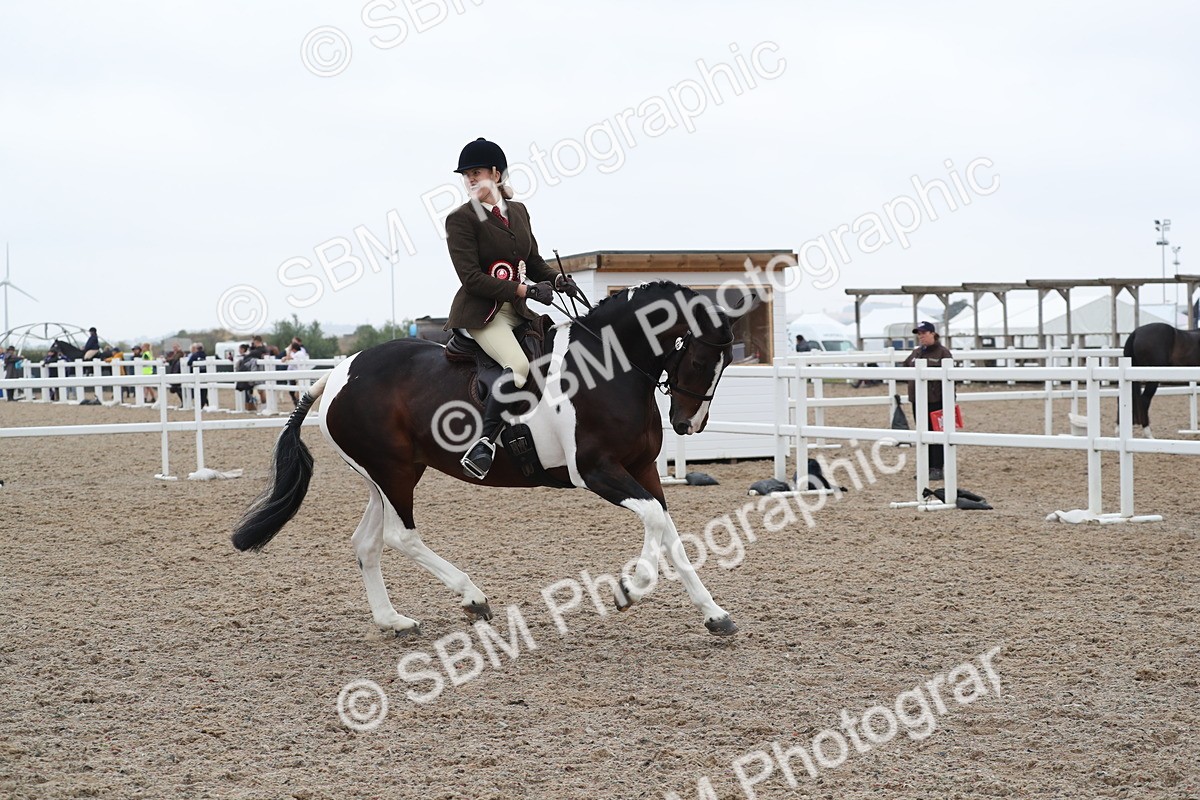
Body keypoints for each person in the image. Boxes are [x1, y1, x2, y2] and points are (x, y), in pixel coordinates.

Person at [443, 137, 581, 480]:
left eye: (476, 172)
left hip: (519, 312)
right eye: (466, 175)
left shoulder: (518, 212)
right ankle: (485, 444)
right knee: (518, 365)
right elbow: (471, 278)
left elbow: (532, 262)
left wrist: (558, 279)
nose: (470, 179)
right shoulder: (460, 220)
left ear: (496, 173)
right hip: (482, 314)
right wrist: (525, 289)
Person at [903, 321, 954, 481]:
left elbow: (952, 378)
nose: (921, 336)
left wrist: (949, 400)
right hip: (918, 400)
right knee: (922, 434)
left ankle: (937, 467)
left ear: (933, 333)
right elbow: (904, 368)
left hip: (936, 400)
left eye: (924, 333)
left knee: (936, 434)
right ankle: (926, 466)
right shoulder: (916, 352)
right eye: (919, 334)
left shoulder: (943, 353)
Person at [280, 338, 308, 407]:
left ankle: (299, 406)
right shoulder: (299, 353)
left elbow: (289, 357)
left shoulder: (298, 353)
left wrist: (288, 351)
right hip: (296, 374)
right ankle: (298, 405)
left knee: (297, 393)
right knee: (296, 392)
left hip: (298, 375)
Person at [187, 342, 209, 408]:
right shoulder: (205, 355)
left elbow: (189, 363)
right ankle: (204, 402)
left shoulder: (195, 355)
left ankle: (201, 403)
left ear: (196, 348)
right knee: (204, 389)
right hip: (205, 374)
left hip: (197, 374)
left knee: (197, 389)